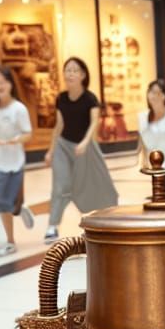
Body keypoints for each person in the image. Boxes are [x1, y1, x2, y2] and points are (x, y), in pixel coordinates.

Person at [43, 57, 118, 242]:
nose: (70, 73)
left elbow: (94, 122)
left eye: (75, 70)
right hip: (63, 145)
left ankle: (104, 218)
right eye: (67, 70)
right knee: (60, 185)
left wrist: (85, 142)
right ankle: (52, 225)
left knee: (94, 184)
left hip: (85, 147)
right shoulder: (61, 98)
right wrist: (51, 150)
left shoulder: (90, 98)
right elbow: (59, 125)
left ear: (83, 75)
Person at [0, 68, 35, 255]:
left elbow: (28, 134)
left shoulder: (18, 109)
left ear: (11, 84)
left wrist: (13, 140)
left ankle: (11, 241)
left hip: (10, 163)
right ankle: (17, 207)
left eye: (3, 82)